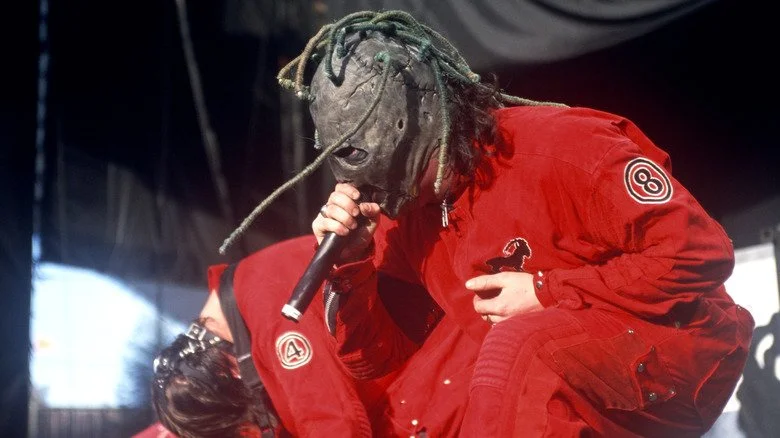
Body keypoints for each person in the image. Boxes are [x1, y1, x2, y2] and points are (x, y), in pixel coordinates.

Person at [235, 9, 755, 438]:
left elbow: (700, 256)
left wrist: (550, 291)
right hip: (584, 379)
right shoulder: (410, 218)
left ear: (420, 117)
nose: (383, 189)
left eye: (392, 166)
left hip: (688, 352)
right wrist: (349, 271)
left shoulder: (561, 149)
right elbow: (376, 361)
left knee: (517, 345)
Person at [150, 234, 476, 437]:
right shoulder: (246, 299)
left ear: (227, 370)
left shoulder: (267, 309)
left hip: (458, 360)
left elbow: (334, 424)